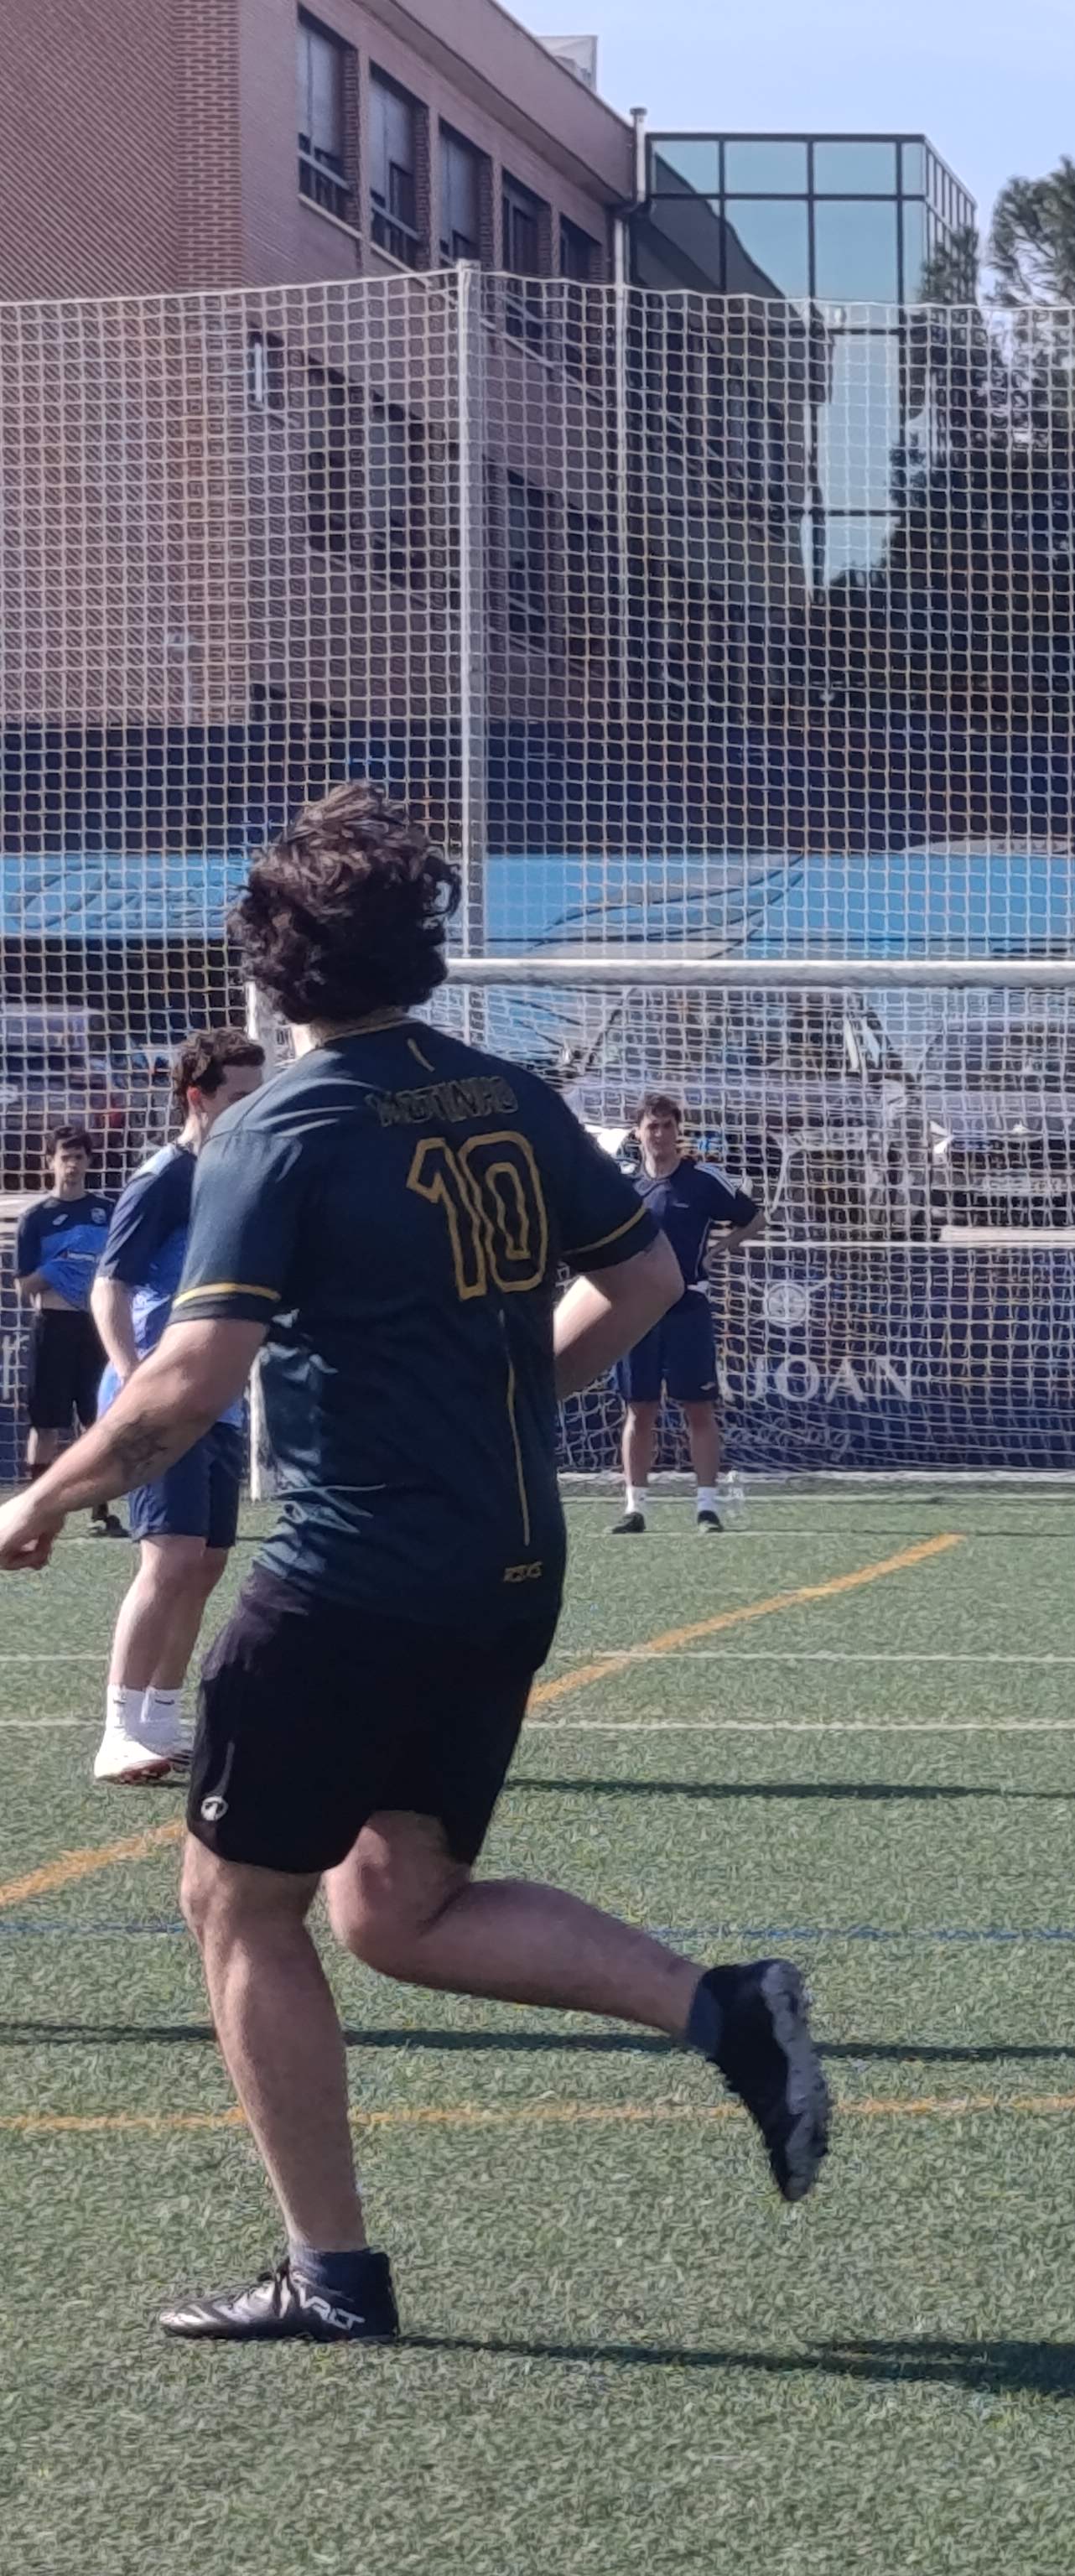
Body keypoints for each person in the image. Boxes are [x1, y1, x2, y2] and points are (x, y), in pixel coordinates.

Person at [0, 782, 830, 2345]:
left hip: (353, 1570)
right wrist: (507, 1400)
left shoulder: (279, 1128)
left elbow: (185, 1386)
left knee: (236, 1903)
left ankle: (333, 2276)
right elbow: (647, 1275)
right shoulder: (505, 1093)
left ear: (272, 966)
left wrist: (35, 1500)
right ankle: (722, 2007)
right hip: (506, 1563)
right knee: (396, 1906)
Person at [86, 1031, 268, 1785]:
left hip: (214, 1397)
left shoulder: (239, 1174)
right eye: (240, 1096)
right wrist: (134, 1378)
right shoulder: (163, 1177)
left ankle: (159, 1718)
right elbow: (110, 1285)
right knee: (168, 1561)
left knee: (206, 1562)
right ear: (198, 1097)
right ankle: (117, 1730)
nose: (254, 1108)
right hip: (161, 1395)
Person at [610, 1092, 760, 1535]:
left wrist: (718, 1250)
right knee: (640, 1409)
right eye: (652, 1127)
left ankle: (707, 1508)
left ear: (679, 1131)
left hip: (688, 1308)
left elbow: (755, 1218)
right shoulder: (622, 1186)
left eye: (667, 1126)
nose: (660, 1134)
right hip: (637, 1311)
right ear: (638, 1133)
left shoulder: (702, 1180)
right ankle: (635, 1508)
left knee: (698, 1408)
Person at [13, 1124, 124, 1537]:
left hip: (95, 1326)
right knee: (46, 1422)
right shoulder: (36, 1218)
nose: (72, 1165)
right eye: (65, 1157)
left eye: (79, 1157)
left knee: (99, 1420)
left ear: (89, 1162)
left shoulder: (107, 1211)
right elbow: (22, 1286)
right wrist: (58, 1268)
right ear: (50, 1162)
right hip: (53, 1325)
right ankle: (36, 1514)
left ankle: (101, 1511)